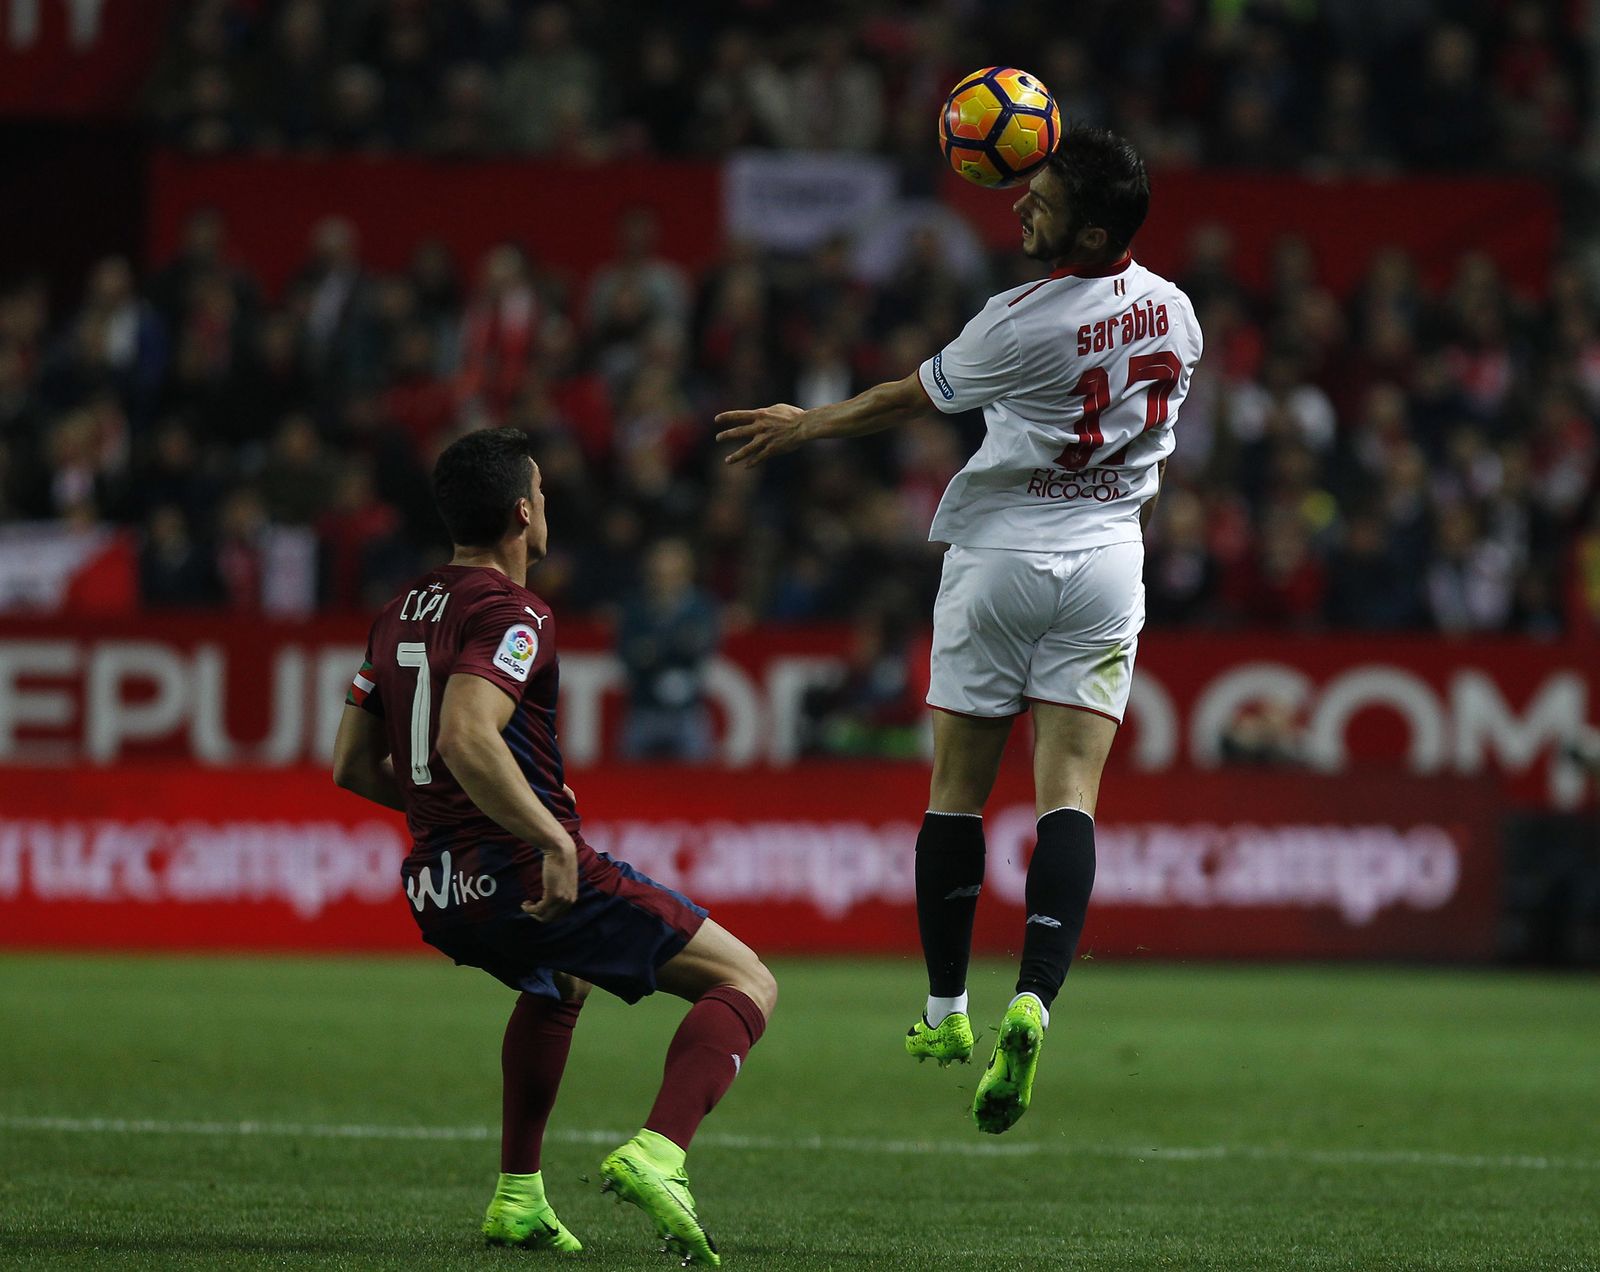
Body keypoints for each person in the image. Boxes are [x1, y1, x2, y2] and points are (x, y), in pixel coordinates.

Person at [716, 126, 1201, 1135]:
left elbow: (907, 400)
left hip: (1001, 558)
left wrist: (803, 424)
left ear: (1092, 228)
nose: (1022, 203)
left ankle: (945, 1012)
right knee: (1068, 795)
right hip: (1111, 558)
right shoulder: (1179, 314)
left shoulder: (1016, 321)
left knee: (957, 792)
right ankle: (1036, 997)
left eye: (1045, 199)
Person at [332, 427, 775, 1265]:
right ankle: (660, 1153)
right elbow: (467, 735)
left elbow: (353, 766)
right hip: (518, 870)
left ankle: (518, 1198)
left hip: (436, 889)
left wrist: (455, 817)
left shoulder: (398, 612)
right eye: (543, 495)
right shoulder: (516, 612)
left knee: (559, 980)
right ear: (523, 513)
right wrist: (544, 833)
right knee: (746, 980)